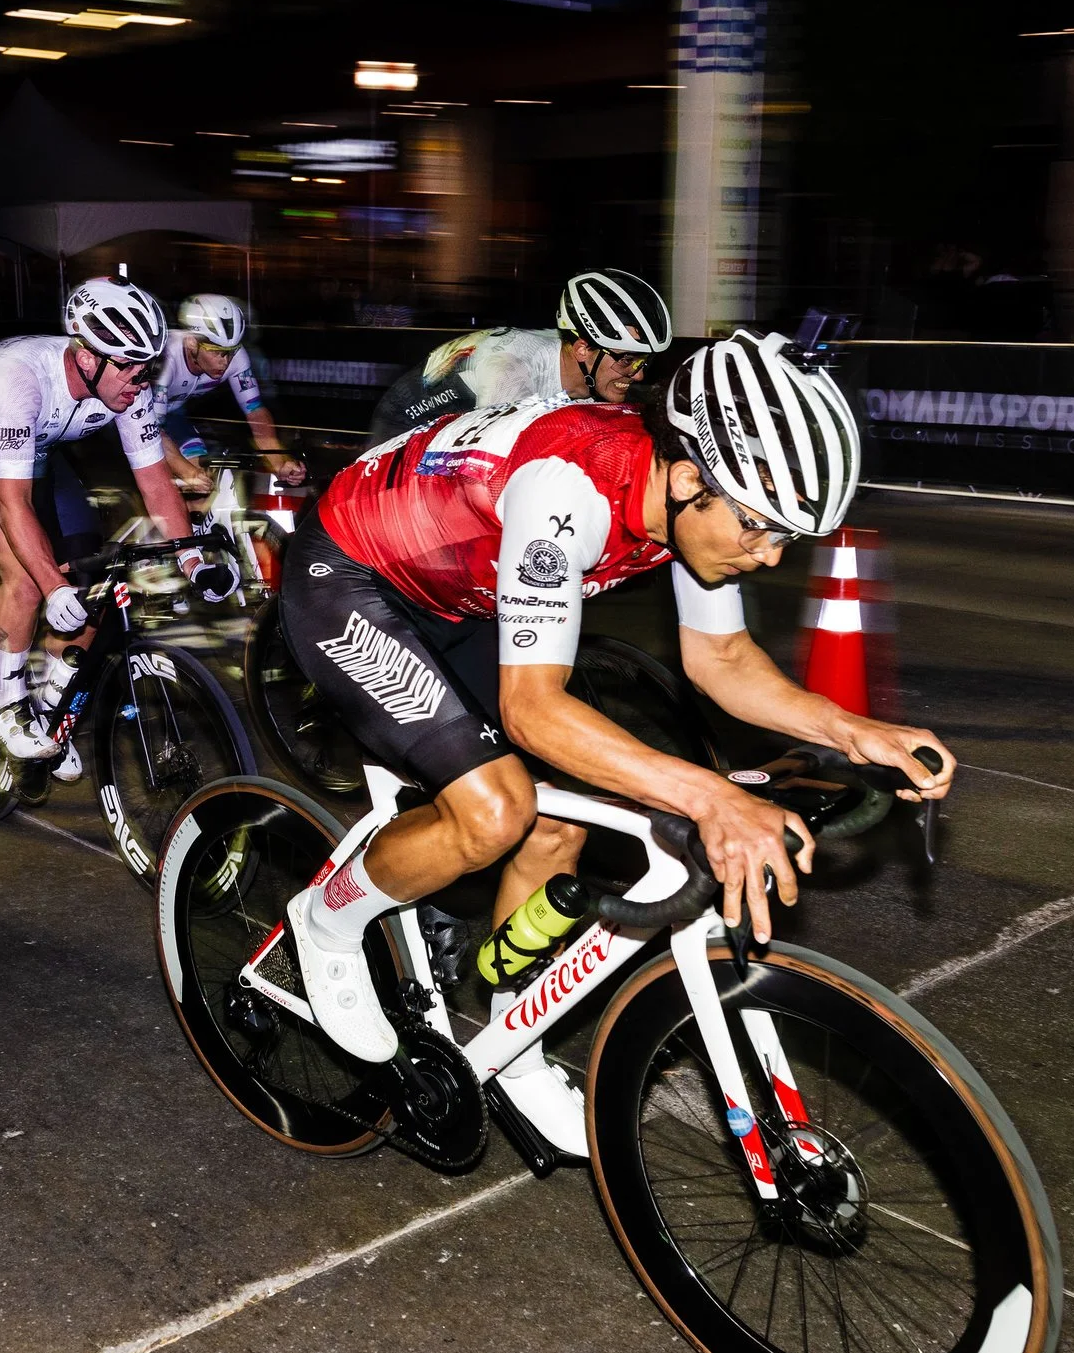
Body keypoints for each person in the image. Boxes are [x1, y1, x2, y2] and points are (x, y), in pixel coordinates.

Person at [274, 330, 956, 1153]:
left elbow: (723, 659)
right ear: (686, 478)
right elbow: (533, 710)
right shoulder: (568, 490)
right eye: (759, 526)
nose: (769, 555)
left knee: (564, 817)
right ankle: (324, 920)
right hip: (352, 573)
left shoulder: (687, 503)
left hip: (463, 593)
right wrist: (714, 797)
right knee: (494, 810)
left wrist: (853, 729)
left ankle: (512, 1045)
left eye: (785, 537)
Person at [0, 276, 238, 770]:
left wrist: (194, 558)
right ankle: (4, 703)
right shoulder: (21, 378)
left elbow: (156, 484)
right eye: (131, 365)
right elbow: (13, 502)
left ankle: (52, 711)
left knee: (90, 578)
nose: (142, 379)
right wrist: (52, 586)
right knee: (30, 577)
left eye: (149, 364)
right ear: (89, 356)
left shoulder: (127, 385)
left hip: (39, 453)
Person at [365, 267, 672, 442]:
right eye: (627, 359)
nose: (639, 373)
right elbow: (490, 471)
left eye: (643, 360)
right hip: (403, 426)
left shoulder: (586, 367)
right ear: (582, 348)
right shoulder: (512, 372)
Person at [151, 293, 306, 491]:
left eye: (231, 351)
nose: (225, 361)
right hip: (130, 417)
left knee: (202, 484)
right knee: (178, 478)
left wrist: (279, 463)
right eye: (216, 351)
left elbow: (255, 412)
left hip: (171, 415)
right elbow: (150, 431)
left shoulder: (235, 357)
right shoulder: (167, 358)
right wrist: (186, 473)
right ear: (191, 342)